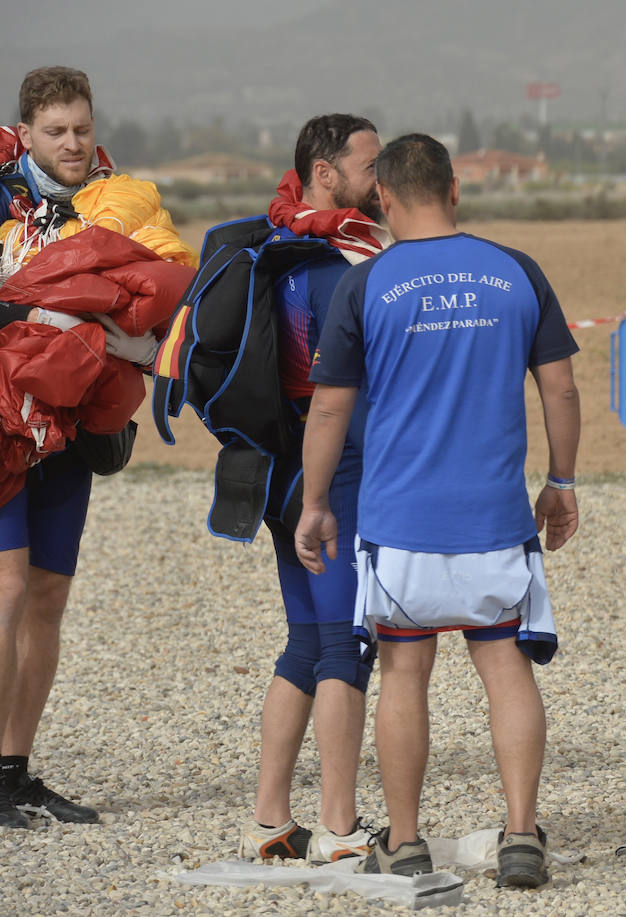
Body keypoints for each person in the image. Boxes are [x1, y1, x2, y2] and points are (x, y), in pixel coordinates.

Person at [294, 133, 580, 887]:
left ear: (382, 196)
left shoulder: (368, 282)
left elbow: (328, 410)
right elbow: (561, 389)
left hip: (401, 526)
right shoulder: (516, 270)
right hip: (494, 521)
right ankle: (521, 835)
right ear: (455, 187)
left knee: (404, 674)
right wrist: (563, 480)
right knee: (507, 668)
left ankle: (409, 839)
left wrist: (316, 503)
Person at [0, 66, 192, 830]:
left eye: (81, 127)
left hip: (72, 430)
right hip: (5, 420)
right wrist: (34, 304)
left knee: (47, 596)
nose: (73, 143)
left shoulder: (120, 203)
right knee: (7, 591)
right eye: (56, 131)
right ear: (28, 132)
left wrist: (139, 346)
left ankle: (15, 770)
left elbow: (168, 292)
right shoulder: (2, 199)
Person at [235, 114, 388, 865]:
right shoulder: (335, 266)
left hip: (278, 470)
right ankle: (339, 826)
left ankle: (269, 818)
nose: (382, 177)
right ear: (324, 172)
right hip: (334, 475)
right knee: (345, 646)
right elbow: (336, 384)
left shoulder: (278, 243)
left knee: (304, 640)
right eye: (370, 164)